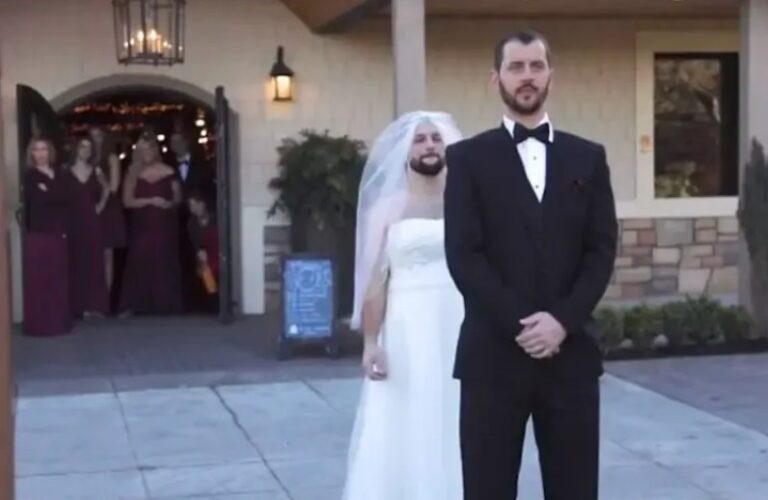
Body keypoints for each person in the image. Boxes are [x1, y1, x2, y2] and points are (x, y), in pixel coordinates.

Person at [443, 30, 618, 500]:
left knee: (575, 490)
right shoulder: (465, 159)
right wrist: (525, 325)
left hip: (572, 358)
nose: (526, 77)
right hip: (493, 359)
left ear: (550, 76)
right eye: (516, 67)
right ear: (495, 78)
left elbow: (601, 251)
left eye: (535, 66)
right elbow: (463, 254)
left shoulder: (589, 157)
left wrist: (561, 322)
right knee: (488, 489)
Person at [342, 111, 464, 500]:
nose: (429, 145)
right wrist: (371, 342)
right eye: (419, 139)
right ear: (405, 152)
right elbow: (376, 279)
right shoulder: (388, 208)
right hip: (408, 326)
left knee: (461, 416)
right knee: (410, 417)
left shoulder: (467, 202)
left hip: (462, 321)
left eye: (435, 139)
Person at [118, 134, 183, 316]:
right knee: (140, 261)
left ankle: (166, 305)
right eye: (143, 149)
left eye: (150, 148)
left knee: (164, 261)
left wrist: (170, 203)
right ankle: (136, 304)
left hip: (165, 225)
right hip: (143, 225)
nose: (147, 153)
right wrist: (150, 201)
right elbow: (127, 201)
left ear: (155, 150)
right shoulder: (132, 172)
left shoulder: (169, 171)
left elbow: (177, 198)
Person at [21, 138, 72, 336]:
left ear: (50, 152)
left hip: (59, 232)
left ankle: (58, 322)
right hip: (39, 233)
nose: (41, 153)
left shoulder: (61, 174)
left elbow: (65, 199)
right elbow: (40, 199)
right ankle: (39, 325)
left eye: (44, 149)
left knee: (57, 278)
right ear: (31, 154)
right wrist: (52, 194)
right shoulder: (30, 176)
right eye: (36, 150)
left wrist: (50, 192)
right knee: (39, 280)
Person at [63, 136, 110, 319]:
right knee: (75, 262)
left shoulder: (96, 170)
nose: (86, 150)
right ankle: (77, 306)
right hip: (73, 221)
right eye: (83, 146)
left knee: (93, 261)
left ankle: (94, 306)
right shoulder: (66, 172)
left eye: (89, 147)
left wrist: (100, 204)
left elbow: (107, 188)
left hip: (92, 220)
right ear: (76, 149)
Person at [89, 126, 127, 299]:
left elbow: (113, 187)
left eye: (99, 135)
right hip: (90, 207)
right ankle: (93, 296)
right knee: (90, 253)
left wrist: (101, 179)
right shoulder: (87, 159)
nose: (96, 139)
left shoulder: (112, 158)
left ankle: (106, 295)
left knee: (107, 254)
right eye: (93, 136)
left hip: (109, 208)